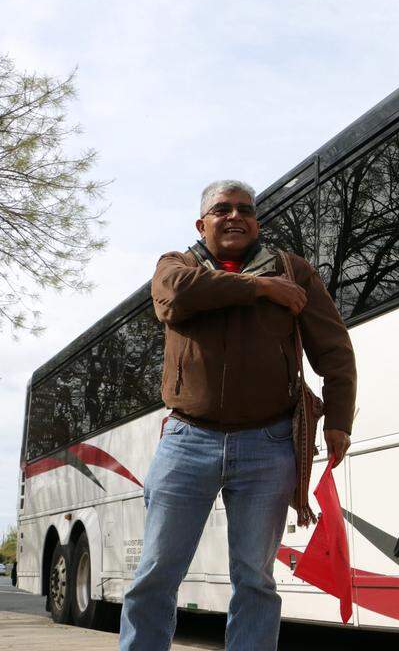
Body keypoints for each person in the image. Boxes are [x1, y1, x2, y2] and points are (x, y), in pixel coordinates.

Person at [119, 179, 356, 651]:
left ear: (256, 222)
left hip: (268, 446)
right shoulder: (177, 265)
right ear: (201, 223)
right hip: (188, 440)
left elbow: (334, 350)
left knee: (255, 579)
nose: (234, 216)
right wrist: (261, 288)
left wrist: (339, 420)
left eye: (245, 210)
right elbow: (172, 297)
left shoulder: (296, 271)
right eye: (222, 209)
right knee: (155, 574)